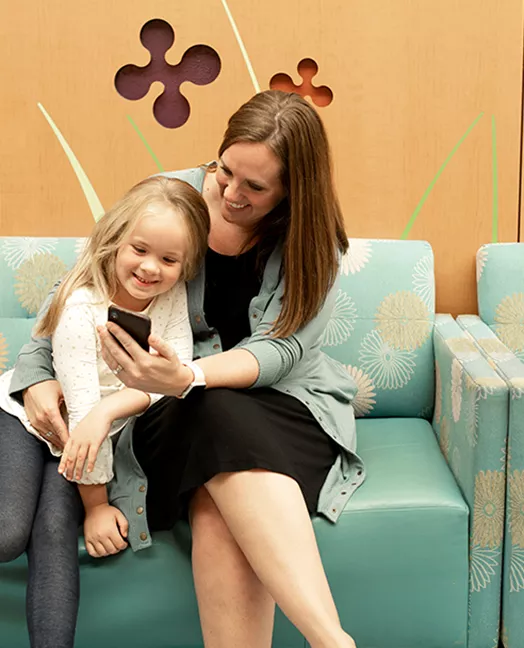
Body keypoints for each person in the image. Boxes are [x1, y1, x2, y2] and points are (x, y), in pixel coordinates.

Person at [10, 90, 364, 648]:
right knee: (212, 416)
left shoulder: (314, 242)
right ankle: (331, 640)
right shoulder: (168, 197)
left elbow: (283, 352)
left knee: (216, 486)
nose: (230, 194)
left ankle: (327, 638)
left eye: (256, 187)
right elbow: (78, 290)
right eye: (225, 172)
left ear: (294, 191)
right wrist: (33, 377)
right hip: (175, 410)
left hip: (283, 405)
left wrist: (190, 377)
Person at [0, 175, 210, 648]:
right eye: (140, 249)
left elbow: (172, 380)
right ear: (115, 240)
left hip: (82, 435)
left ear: (186, 265)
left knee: (53, 527)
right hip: (29, 420)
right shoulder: (80, 307)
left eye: (169, 259)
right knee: (8, 533)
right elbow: (79, 408)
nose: (151, 268)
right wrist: (96, 508)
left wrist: (112, 407)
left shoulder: (172, 299)